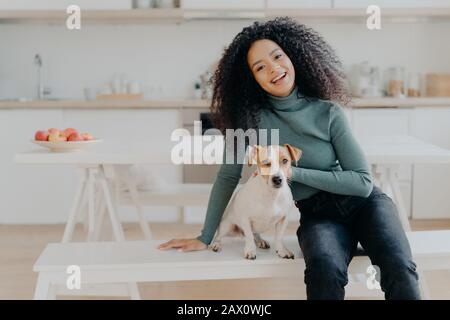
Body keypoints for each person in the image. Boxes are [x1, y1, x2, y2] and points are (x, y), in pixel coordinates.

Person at [159, 17, 421, 300]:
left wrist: (292, 173)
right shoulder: (246, 122)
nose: (273, 68)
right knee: (323, 269)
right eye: (260, 67)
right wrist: (205, 236)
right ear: (251, 79)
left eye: (277, 57)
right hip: (317, 215)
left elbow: (362, 183)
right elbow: (227, 176)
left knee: (398, 266)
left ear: (293, 57)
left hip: (366, 206)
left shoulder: (328, 112)